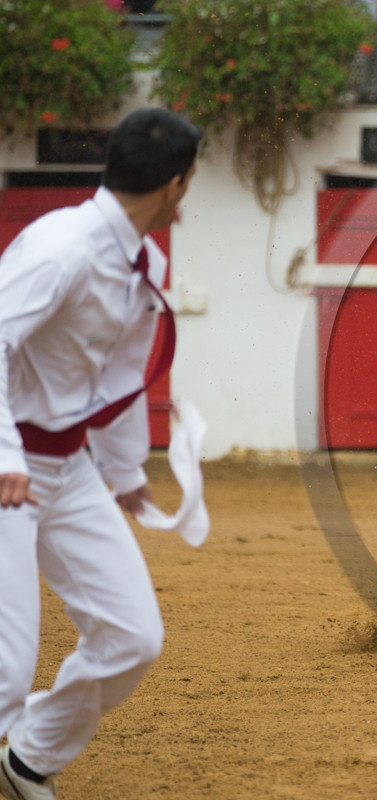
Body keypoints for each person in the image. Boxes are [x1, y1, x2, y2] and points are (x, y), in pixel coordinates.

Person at [0, 107, 201, 800]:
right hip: (8, 471)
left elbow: (117, 374)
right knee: (5, 669)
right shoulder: (62, 248)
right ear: (178, 184)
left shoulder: (146, 258)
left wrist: (123, 475)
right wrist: (6, 455)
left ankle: (30, 755)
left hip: (68, 468)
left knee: (131, 636)